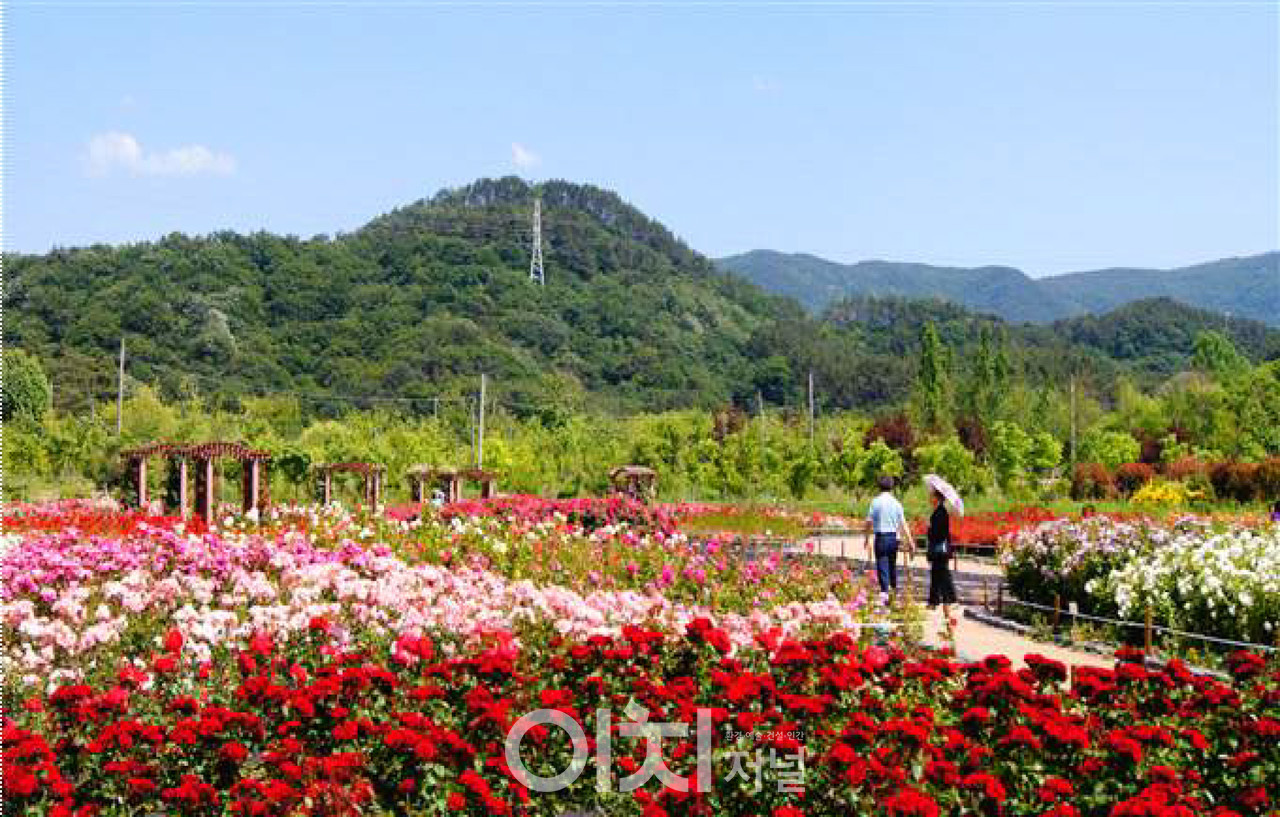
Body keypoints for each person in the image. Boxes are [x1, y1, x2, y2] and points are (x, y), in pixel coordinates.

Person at [864, 475, 912, 602]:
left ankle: (885, 593)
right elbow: (903, 524)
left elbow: (868, 521)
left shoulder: (875, 502)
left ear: (879, 486)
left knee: (882, 565)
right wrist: (910, 541)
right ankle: (893, 591)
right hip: (893, 538)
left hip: (881, 537)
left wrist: (867, 538)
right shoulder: (896, 503)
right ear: (892, 487)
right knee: (892, 565)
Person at [926, 487, 957, 617]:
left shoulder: (940, 512)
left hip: (940, 549)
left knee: (943, 574)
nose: (929, 497)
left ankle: (949, 598)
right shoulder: (939, 511)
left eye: (932, 495)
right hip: (939, 549)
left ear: (937, 498)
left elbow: (940, 533)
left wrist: (929, 530)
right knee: (937, 573)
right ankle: (934, 600)